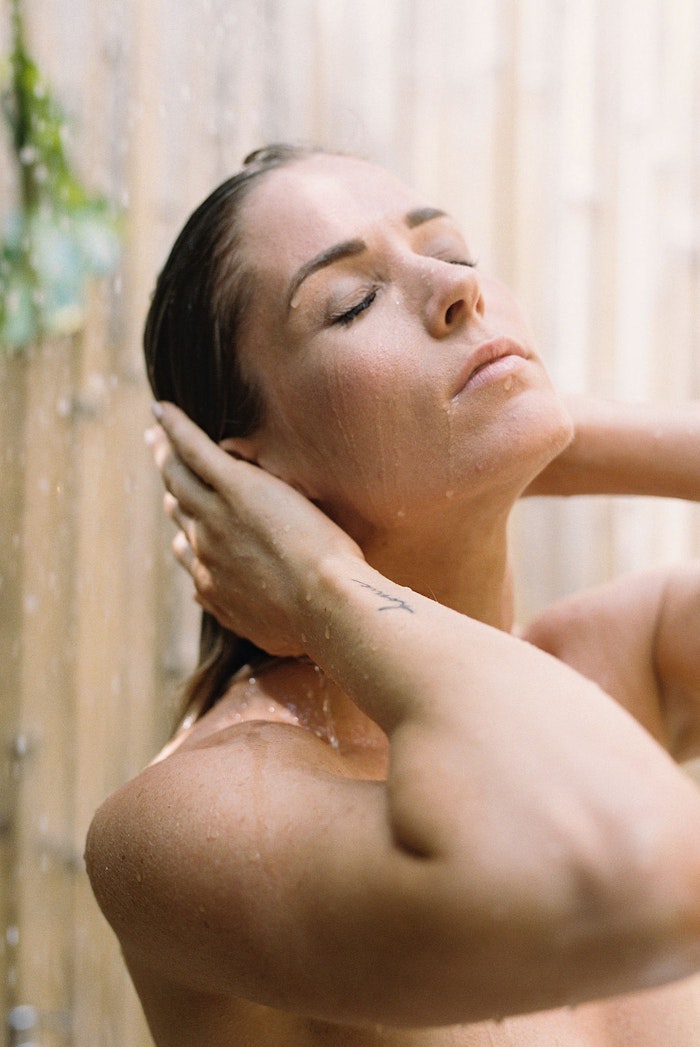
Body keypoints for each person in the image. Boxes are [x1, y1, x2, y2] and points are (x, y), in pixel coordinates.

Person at [85, 144, 700, 1046]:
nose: (460, 293)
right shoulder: (196, 817)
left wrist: (560, 428)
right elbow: (627, 875)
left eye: (451, 252)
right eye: (353, 303)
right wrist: (319, 580)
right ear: (248, 475)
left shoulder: (621, 663)